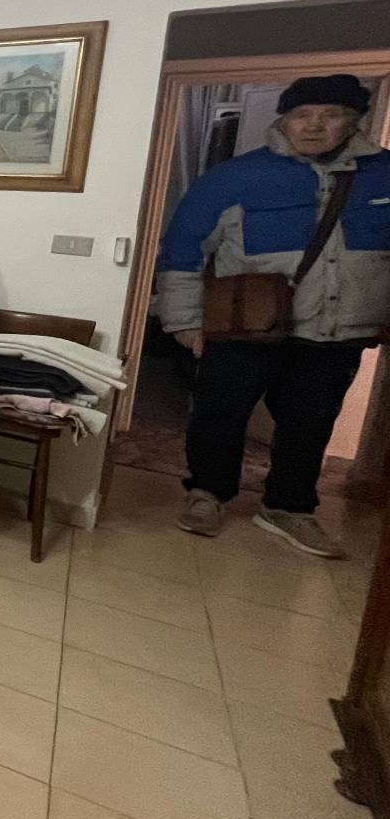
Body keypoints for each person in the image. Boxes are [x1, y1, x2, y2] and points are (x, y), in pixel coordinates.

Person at [157, 73, 389, 557]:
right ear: (284, 119)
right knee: (220, 414)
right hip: (244, 324)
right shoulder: (233, 178)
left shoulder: (383, 174)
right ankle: (207, 492)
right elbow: (183, 249)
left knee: (311, 422)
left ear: (353, 120)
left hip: (336, 328)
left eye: (330, 115)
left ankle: (289, 507)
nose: (313, 125)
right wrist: (184, 322)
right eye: (302, 115)